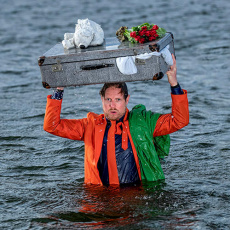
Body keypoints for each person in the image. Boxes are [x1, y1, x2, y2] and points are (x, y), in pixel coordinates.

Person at [44, 54, 189, 186]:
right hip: (100, 197)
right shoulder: (90, 125)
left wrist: (174, 83)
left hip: (138, 196)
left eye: (118, 99)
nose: (112, 105)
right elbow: (52, 126)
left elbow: (179, 120)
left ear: (127, 100)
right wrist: (59, 90)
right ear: (102, 100)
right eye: (108, 99)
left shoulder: (144, 121)